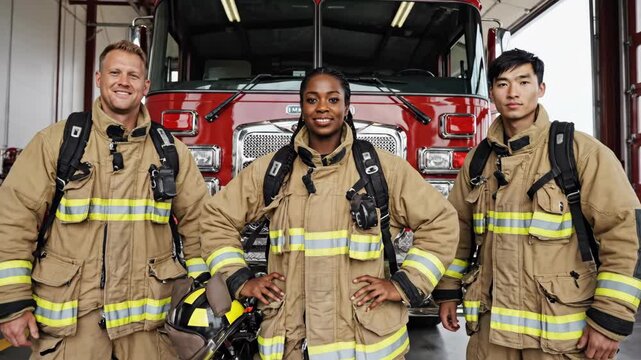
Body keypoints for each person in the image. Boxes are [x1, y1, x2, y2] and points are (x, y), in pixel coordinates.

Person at [199, 67, 459, 359]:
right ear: (302, 107)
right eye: (312, 99)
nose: (322, 107)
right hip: (291, 344)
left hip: (365, 345)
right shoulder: (273, 171)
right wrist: (240, 278)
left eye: (333, 99)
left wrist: (404, 284)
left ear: (347, 107)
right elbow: (215, 219)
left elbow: (441, 222)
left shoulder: (382, 169)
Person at [0, 40, 208, 359]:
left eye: (133, 75)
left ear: (145, 86)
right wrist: (13, 304)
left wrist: (205, 293)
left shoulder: (170, 152)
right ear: (99, 78)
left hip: (148, 335)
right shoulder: (56, 143)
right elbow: (13, 220)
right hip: (72, 334)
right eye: (115, 72)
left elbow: (199, 225)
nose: (123, 81)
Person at [434, 48, 641, 360]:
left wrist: (608, 321)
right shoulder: (478, 162)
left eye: (523, 82)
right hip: (492, 338)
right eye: (503, 84)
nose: (513, 92)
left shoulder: (579, 152)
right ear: (491, 93)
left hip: (560, 338)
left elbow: (624, 235)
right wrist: (448, 291)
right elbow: (457, 232)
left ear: (541, 89)